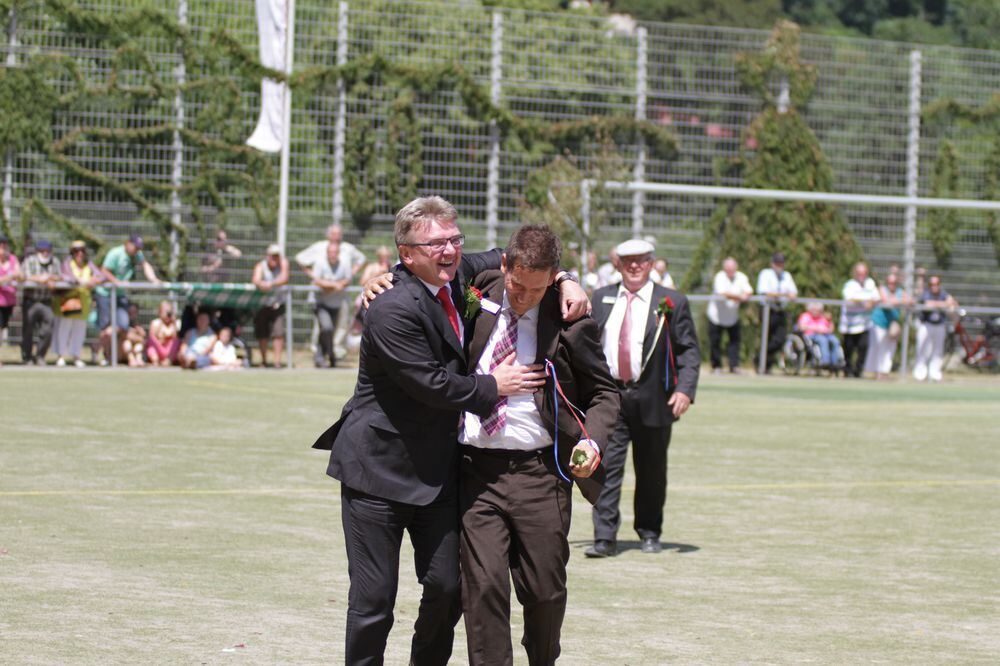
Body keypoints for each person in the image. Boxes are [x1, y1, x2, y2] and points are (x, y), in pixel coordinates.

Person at [311, 196, 589, 666]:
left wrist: (565, 278)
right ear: (406, 253)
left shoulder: (456, 273)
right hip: (378, 472)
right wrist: (493, 386)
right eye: (436, 243)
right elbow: (430, 384)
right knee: (374, 601)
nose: (450, 251)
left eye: (454, 240)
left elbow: (521, 254)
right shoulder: (391, 308)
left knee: (448, 587)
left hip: (439, 471)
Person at [458, 225, 619, 666]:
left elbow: (606, 393)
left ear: (553, 278)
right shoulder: (477, 292)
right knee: (484, 586)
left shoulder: (570, 320)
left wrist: (593, 442)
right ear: (505, 265)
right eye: (516, 284)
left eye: (536, 288)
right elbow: (429, 270)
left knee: (545, 592)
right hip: (477, 472)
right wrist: (385, 276)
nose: (523, 296)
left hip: (541, 474)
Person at [586, 238, 701, 558]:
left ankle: (649, 531)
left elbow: (689, 350)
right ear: (618, 265)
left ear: (651, 264)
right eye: (628, 261)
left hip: (654, 398)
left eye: (641, 260)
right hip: (610, 397)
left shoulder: (672, 301)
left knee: (651, 470)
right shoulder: (601, 297)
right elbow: (586, 343)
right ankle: (604, 537)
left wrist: (685, 390)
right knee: (605, 467)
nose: (634, 266)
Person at [296, 224, 367, 361]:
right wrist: (315, 276)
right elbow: (301, 260)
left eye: (339, 233)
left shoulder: (347, 249)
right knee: (324, 327)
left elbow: (360, 260)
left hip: (339, 298)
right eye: (334, 233)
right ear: (328, 235)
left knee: (340, 327)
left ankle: (334, 352)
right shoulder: (319, 248)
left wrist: (350, 274)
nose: (336, 236)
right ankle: (321, 354)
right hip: (322, 297)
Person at [96, 234, 161, 365]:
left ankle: (98, 347)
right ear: (128, 243)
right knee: (105, 327)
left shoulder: (137, 254)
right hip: (105, 294)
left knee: (122, 324)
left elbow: (145, 265)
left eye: (138, 248)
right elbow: (104, 270)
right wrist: (116, 282)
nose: (137, 251)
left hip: (120, 295)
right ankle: (105, 355)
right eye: (135, 247)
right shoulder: (115, 253)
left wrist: (154, 279)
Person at [54, 240, 104, 368]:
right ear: (72, 252)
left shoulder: (89, 264)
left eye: (82, 250)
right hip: (70, 300)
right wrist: (79, 281)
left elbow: (100, 276)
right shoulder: (67, 263)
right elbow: (66, 277)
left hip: (84, 302)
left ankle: (76, 356)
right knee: (65, 328)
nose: (80, 253)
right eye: (76, 251)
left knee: (79, 330)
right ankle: (61, 356)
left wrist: (93, 280)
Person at [306, 239, 353, 368]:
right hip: (320, 302)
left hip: (335, 303)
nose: (332, 255)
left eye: (335, 252)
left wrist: (331, 285)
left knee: (328, 331)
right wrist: (335, 285)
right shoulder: (320, 263)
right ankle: (327, 355)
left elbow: (347, 280)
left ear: (338, 253)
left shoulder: (344, 263)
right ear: (327, 253)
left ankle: (324, 357)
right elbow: (317, 281)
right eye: (330, 252)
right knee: (326, 327)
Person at [706, 257, 752, 374]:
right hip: (716, 316)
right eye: (728, 269)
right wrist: (739, 297)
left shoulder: (741, 277)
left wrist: (744, 296)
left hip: (732, 316)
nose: (731, 271)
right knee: (715, 342)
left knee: (735, 342)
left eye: (733, 269)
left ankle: (734, 366)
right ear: (724, 268)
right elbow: (723, 293)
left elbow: (748, 291)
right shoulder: (719, 277)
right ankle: (716, 366)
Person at [756, 252, 797, 372]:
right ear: (772, 264)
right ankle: (764, 365)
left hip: (780, 310)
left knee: (780, 339)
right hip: (768, 310)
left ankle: (761, 358)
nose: (779, 266)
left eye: (781, 263)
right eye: (777, 263)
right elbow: (765, 292)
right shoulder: (765, 274)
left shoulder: (787, 276)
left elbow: (793, 293)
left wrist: (786, 295)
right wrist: (784, 294)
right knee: (766, 337)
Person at [20, 239, 60, 365]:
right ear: (37, 251)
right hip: (31, 300)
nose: (45, 253)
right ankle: (27, 357)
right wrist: (41, 279)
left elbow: (59, 276)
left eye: (47, 250)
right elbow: (24, 276)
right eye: (42, 250)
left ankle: (40, 356)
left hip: (46, 301)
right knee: (28, 330)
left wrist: (50, 278)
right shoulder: (30, 261)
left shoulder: (55, 262)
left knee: (47, 330)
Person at [866, 271, 910, 379]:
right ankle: (876, 372)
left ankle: (885, 372)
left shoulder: (900, 291)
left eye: (894, 282)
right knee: (877, 347)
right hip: (878, 323)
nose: (892, 284)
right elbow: (886, 301)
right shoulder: (882, 289)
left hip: (891, 324)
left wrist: (898, 300)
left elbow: (910, 300)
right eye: (890, 282)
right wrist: (899, 301)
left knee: (889, 348)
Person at [251, 244, 290, 368]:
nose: (275, 258)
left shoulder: (283, 263)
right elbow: (256, 279)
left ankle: (277, 362)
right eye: (272, 256)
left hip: (278, 304)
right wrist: (261, 284)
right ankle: (264, 360)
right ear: (267, 256)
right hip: (262, 304)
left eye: (277, 256)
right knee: (262, 333)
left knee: (278, 333)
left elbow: (284, 277)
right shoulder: (261, 265)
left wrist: (271, 284)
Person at [913, 274, 957, 382]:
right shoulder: (926, 294)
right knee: (922, 348)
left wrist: (941, 304)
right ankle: (920, 372)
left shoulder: (943, 294)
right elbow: (927, 303)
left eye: (937, 284)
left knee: (938, 350)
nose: (934, 286)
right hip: (926, 324)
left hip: (939, 325)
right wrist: (943, 304)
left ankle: (935, 372)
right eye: (932, 284)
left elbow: (952, 303)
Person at [839, 262, 878, 378]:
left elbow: (876, 298)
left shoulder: (870, 283)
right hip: (849, 324)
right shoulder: (849, 285)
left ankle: (858, 371)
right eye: (859, 273)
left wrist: (870, 302)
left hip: (864, 324)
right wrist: (864, 302)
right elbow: (849, 299)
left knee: (863, 347)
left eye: (864, 273)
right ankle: (847, 371)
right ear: (855, 274)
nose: (862, 276)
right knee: (848, 349)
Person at [796, 302, 841, 368]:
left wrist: (830, 321)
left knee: (835, 340)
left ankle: (835, 362)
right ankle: (825, 361)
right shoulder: (805, 316)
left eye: (818, 310)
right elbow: (801, 327)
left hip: (825, 334)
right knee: (823, 340)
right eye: (814, 310)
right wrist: (816, 329)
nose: (816, 312)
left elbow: (831, 329)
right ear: (810, 309)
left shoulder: (823, 317)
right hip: (811, 335)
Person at [0, 234, 22, 361]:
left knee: (2, 329)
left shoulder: (12, 259)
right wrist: (10, 276)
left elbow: (20, 274)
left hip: (8, 301)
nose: (3, 247)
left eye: (4, 244)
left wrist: (17, 275)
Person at [147, 300, 181, 367]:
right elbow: (152, 338)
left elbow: (177, 337)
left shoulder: (176, 323)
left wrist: (173, 323)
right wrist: (161, 322)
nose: (167, 314)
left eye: (169, 312)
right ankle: (155, 361)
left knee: (177, 341)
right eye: (164, 311)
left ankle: (168, 361)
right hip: (158, 349)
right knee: (150, 341)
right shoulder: (155, 323)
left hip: (170, 351)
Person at [120, 303, 147, 367]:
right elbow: (126, 336)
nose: (132, 314)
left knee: (139, 345)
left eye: (134, 312)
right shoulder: (123, 324)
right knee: (127, 343)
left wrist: (140, 333)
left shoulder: (138, 324)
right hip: (123, 351)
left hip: (135, 350)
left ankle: (138, 359)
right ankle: (131, 360)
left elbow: (144, 338)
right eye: (130, 312)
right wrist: (138, 337)